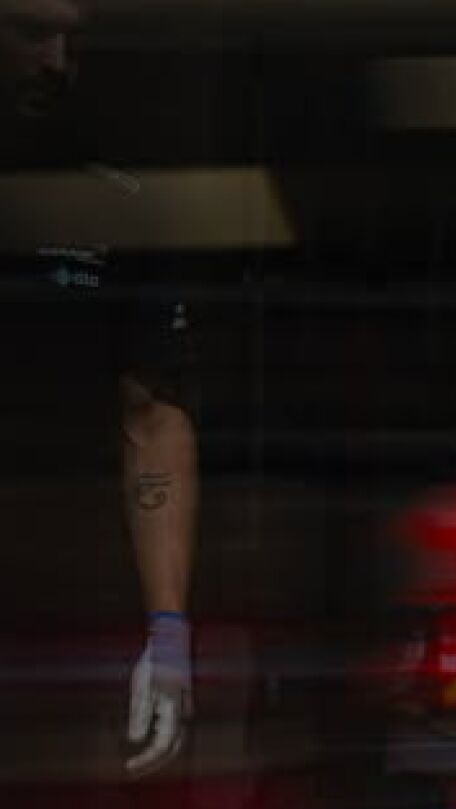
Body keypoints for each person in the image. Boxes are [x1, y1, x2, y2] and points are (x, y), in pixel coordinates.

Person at [0, 0, 197, 779]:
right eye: (31, 32)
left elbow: (151, 420)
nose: (56, 61)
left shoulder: (110, 196)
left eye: (71, 41)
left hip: (59, 596)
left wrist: (169, 633)